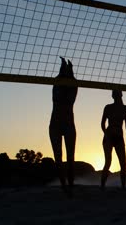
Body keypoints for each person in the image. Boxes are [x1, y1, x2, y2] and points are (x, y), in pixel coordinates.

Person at [49, 57, 78, 196]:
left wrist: (69, 69)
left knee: (70, 157)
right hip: (56, 125)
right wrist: (64, 69)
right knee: (58, 157)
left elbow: (72, 81)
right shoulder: (58, 84)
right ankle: (64, 185)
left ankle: (70, 185)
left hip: (67, 124)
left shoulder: (72, 86)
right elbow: (60, 79)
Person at [100, 89, 126, 190]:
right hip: (109, 137)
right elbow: (102, 123)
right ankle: (102, 186)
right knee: (108, 162)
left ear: (121, 95)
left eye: (118, 94)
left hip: (119, 137)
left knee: (123, 163)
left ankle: (123, 187)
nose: (117, 96)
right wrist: (106, 134)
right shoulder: (108, 107)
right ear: (113, 96)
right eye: (115, 94)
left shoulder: (125, 108)